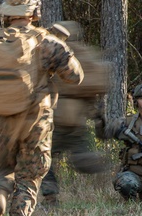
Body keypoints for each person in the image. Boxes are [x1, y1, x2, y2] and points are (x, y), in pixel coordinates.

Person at [0, 0, 83, 216]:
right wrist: (63, 48)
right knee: (29, 177)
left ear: (5, 14)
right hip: (35, 121)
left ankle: (0, 196)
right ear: (34, 12)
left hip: (3, 118)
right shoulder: (46, 41)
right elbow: (75, 77)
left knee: (5, 169)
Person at [40, 21, 112, 205]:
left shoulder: (54, 53)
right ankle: (105, 165)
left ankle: (50, 195)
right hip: (77, 120)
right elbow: (100, 84)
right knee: (80, 157)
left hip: (56, 119)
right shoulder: (88, 55)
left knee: (43, 157)